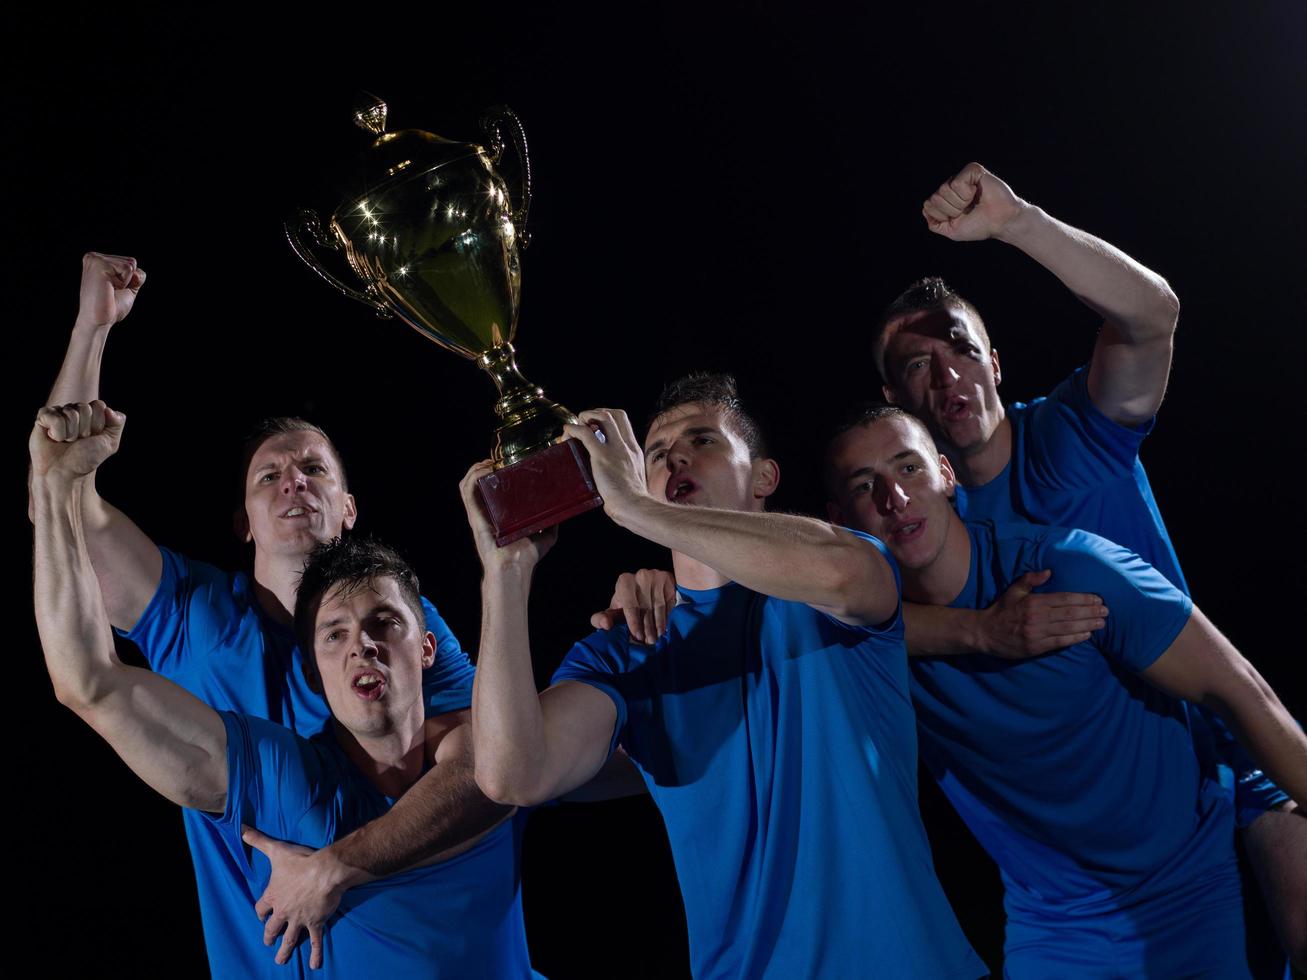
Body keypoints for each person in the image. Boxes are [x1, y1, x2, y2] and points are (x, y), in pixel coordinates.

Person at [870, 164, 1304, 972]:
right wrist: (976, 630)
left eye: (957, 348)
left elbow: (1152, 316)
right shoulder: (915, 529)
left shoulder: (1069, 432)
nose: (944, 374)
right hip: (1090, 855)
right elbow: (840, 614)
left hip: (1219, 742)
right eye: (914, 367)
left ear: (993, 363)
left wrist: (1017, 222)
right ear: (892, 399)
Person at [463, 374, 986, 979]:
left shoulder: (834, 576)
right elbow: (511, 774)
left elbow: (844, 575)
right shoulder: (626, 649)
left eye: (703, 440)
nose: (674, 457)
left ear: (764, 476)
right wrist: (504, 574)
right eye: (655, 455)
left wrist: (636, 508)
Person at [31, 405, 535, 978]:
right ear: (313, 672)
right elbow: (88, 680)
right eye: (334, 635)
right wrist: (52, 485)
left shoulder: (492, 769)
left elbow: (513, 759)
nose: (362, 647)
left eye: (383, 625)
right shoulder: (289, 781)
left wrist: (334, 867)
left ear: (427, 649)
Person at [824, 405, 1307, 978]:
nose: (893, 499)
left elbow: (1242, 691)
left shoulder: (1069, 569)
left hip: (1184, 891)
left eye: (908, 469)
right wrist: (978, 632)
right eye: (864, 485)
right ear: (838, 521)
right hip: (1051, 923)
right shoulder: (862, 642)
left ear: (947, 475)